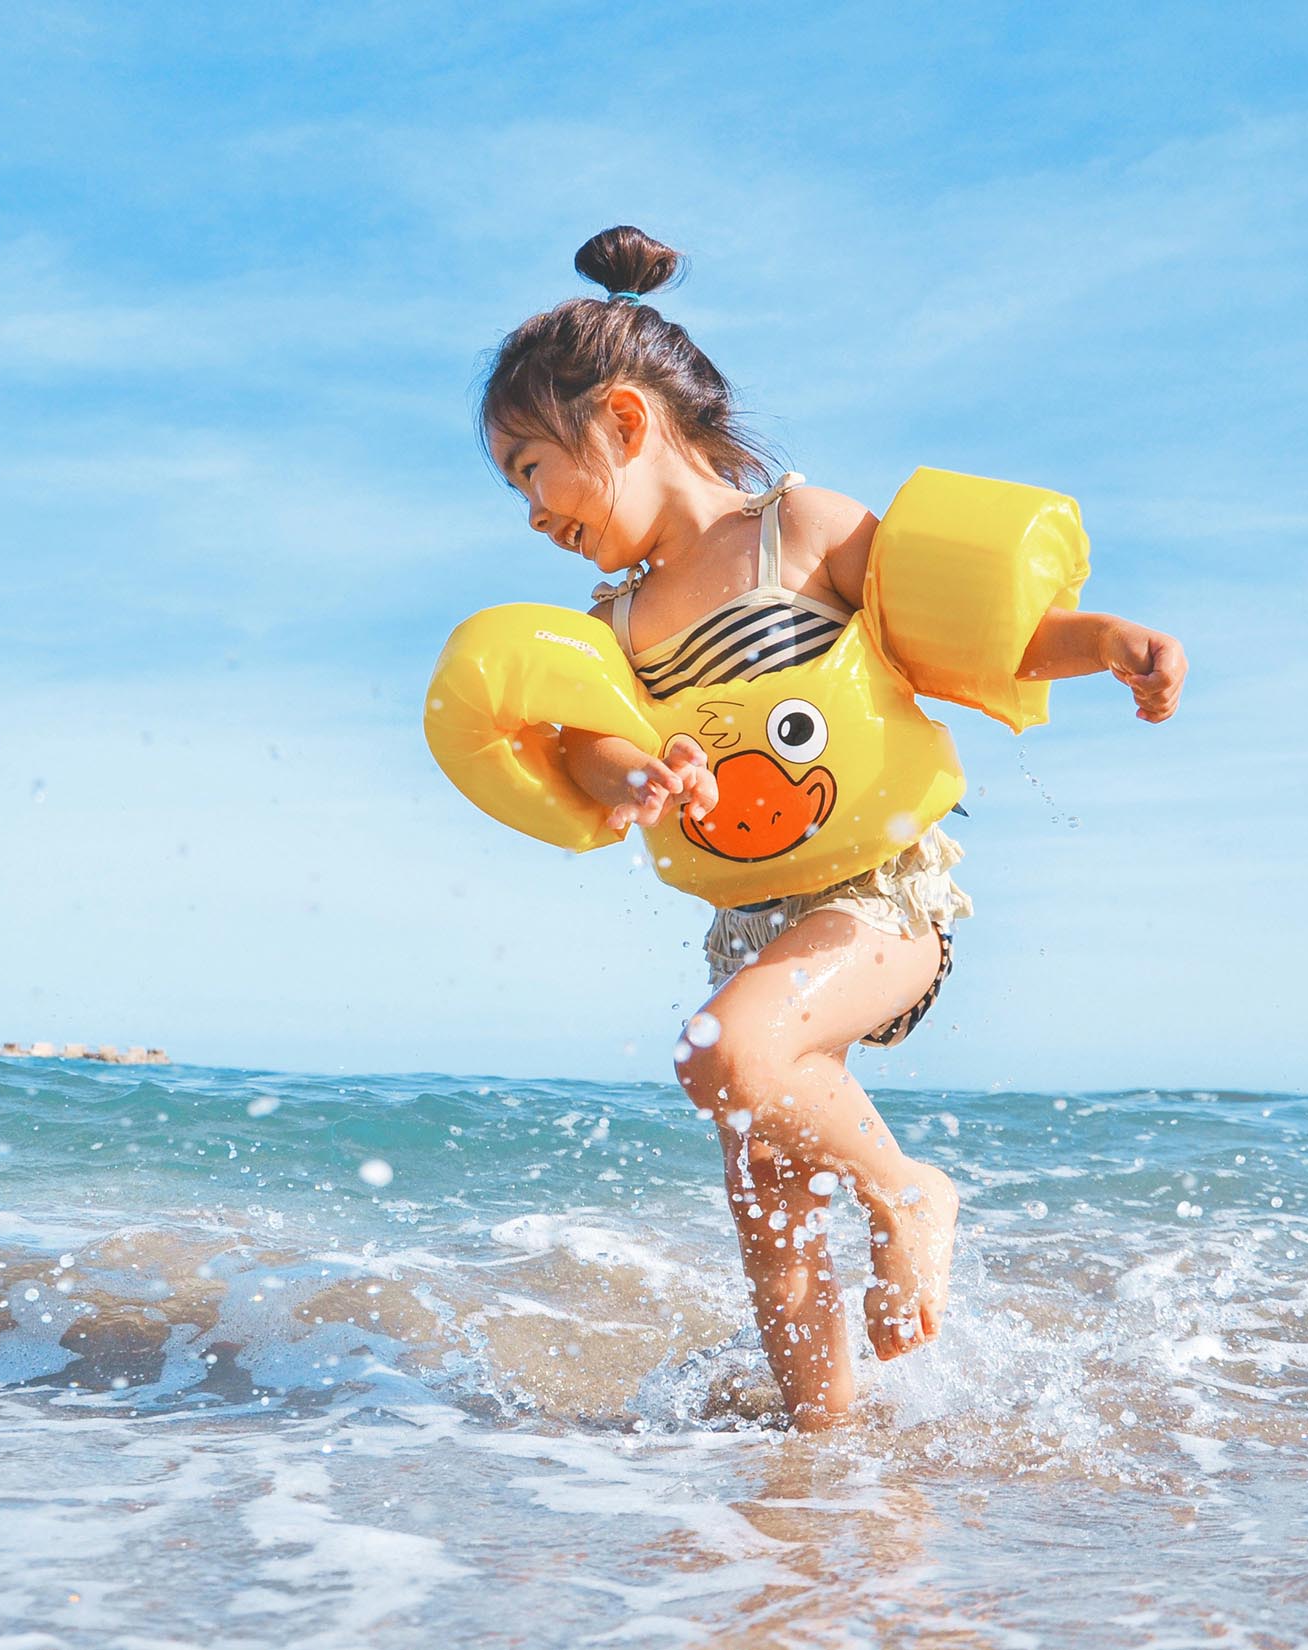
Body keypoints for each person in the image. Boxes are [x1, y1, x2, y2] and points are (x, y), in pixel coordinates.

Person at [475, 225, 1187, 1428]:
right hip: (751, 927)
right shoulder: (615, 623)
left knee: (720, 1053)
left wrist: (1107, 640)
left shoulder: (797, 534)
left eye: (531, 470)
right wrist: (639, 772)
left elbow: (973, 635)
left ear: (625, 422)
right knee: (767, 1203)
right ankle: (819, 1458)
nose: (532, 514)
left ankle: (908, 1194)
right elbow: (591, 744)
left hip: (882, 902)